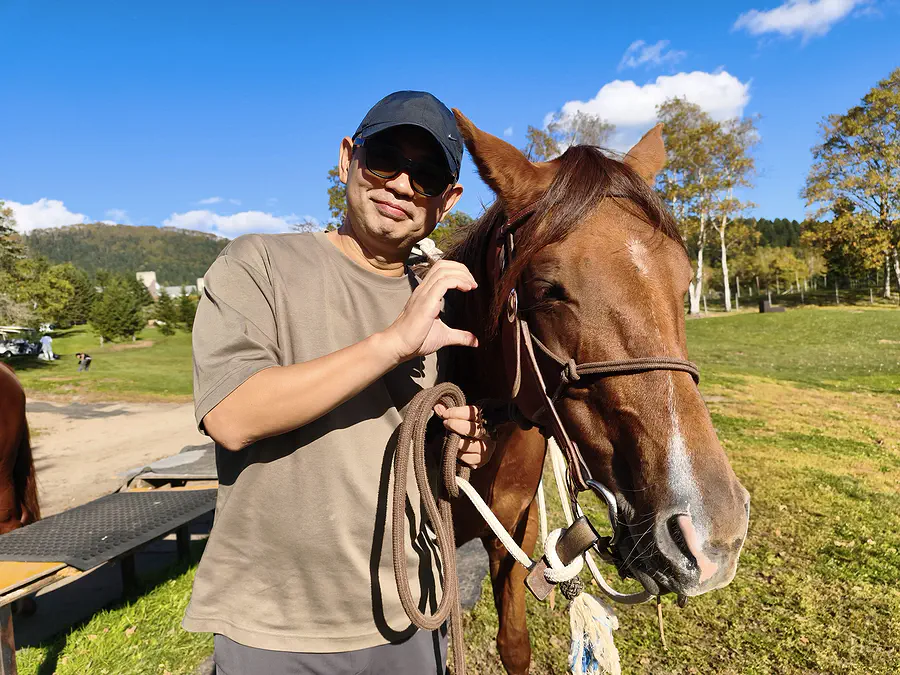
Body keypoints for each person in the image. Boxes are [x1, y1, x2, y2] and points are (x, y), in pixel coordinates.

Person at [183, 91, 495, 675]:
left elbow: (420, 455)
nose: (401, 184)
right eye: (384, 159)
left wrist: (461, 445)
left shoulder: (448, 306)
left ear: (447, 200)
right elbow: (231, 416)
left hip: (409, 612)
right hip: (275, 623)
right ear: (348, 157)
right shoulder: (258, 264)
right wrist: (393, 342)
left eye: (426, 175)